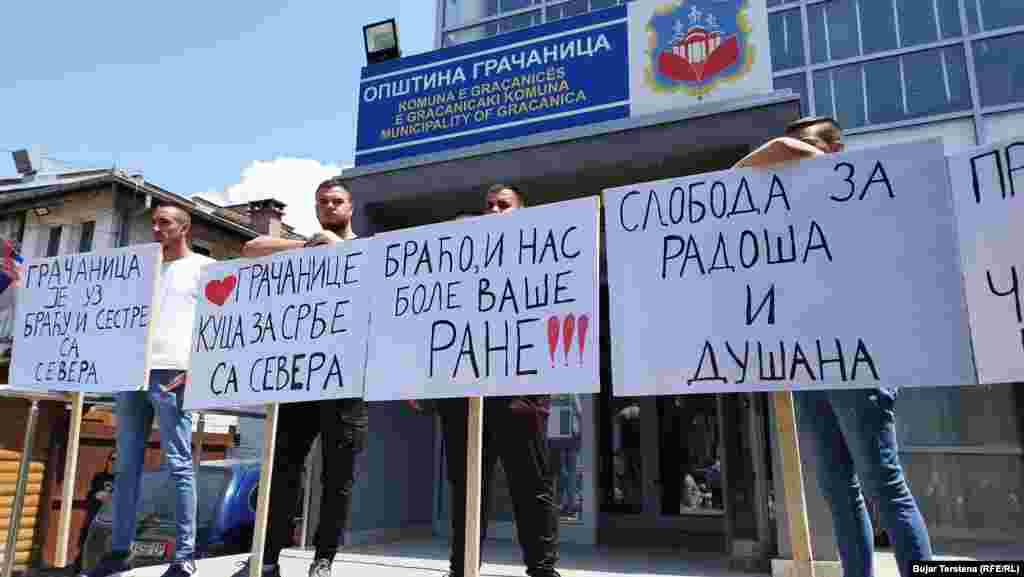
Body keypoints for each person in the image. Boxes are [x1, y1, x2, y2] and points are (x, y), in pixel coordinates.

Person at [733, 116, 932, 577]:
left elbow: (785, 152)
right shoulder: (792, 211)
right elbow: (744, 171)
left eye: (801, 147)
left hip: (860, 364)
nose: (787, 156)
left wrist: (800, 149)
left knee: (883, 484)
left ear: (834, 150)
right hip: (811, 366)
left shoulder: (861, 191)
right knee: (838, 490)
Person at [233, 179, 368, 577]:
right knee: (284, 470)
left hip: (345, 380)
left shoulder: (364, 249)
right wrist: (310, 245)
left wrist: (336, 247)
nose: (330, 206)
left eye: (337, 201)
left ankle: (324, 558)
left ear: (351, 207)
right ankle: (269, 556)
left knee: (337, 476)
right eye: (323, 201)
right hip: (298, 378)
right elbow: (250, 249)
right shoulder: (302, 249)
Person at [435, 184, 561, 577]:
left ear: (522, 211)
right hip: (464, 396)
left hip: (520, 395)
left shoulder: (540, 256)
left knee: (533, 487)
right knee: (468, 491)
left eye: (503, 206)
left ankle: (542, 569)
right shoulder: (459, 259)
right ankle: (463, 567)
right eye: (488, 206)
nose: (493, 211)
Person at [89, 205, 213, 577]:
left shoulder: (204, 268)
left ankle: (184, 555)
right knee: (126, 466)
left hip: (172, 373)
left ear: (184, 228)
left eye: (165, 223)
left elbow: (216, 322)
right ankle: (119, 549)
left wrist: (195, 371)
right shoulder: (143, 270)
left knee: (178, 464)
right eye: (154, 222)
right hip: (132, 373)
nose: (156, 228)